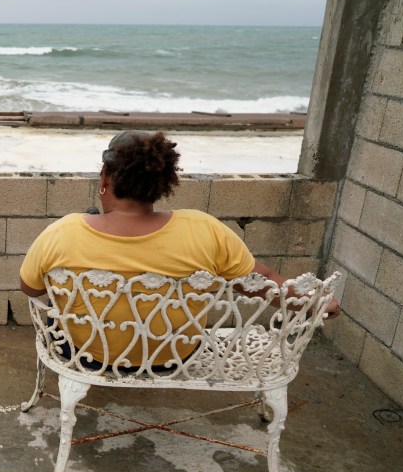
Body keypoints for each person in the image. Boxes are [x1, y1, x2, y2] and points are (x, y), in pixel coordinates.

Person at [19, 130, 340, 368]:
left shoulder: (63, 233)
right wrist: (314, 301)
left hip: (86, 355)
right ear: (163, 183)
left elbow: (30, 287)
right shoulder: (204, 230)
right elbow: (263, 283)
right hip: (173, 357)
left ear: (104, 178)